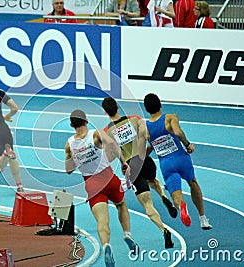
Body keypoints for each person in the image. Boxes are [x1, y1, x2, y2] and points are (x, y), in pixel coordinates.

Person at [65, 110, 139, 267]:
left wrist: (80, 156)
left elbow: (69, 169)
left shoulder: (69, 144)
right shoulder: (96, 134)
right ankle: (127, 233)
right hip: (109, 179)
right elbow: (113, 145)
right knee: (121, 204)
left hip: (92, 185)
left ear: (72, 125)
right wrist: (124, 163)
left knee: (102, 220)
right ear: (86, 121)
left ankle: (106, 244)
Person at [101, 97, 175, 249]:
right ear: (117, 107)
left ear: (105, 112)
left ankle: (164, 230)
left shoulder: (106, 132)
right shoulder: (134, 119)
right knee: (153, 180)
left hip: (132, 167)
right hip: (145, 160)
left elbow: (109, 156)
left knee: (148, 205)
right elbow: (147, 135)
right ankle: (163, 196)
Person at [143, 93, 212, 230]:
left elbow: (152, 144)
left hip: (166, 164)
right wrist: (188, 145)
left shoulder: (145, 127)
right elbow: (178, 133)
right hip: (181, 158)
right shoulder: (170, 118)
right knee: (193, 182)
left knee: (176, 194)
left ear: (147, 110)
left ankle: (181, 206)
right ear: (160, 105)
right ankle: (203, 218)